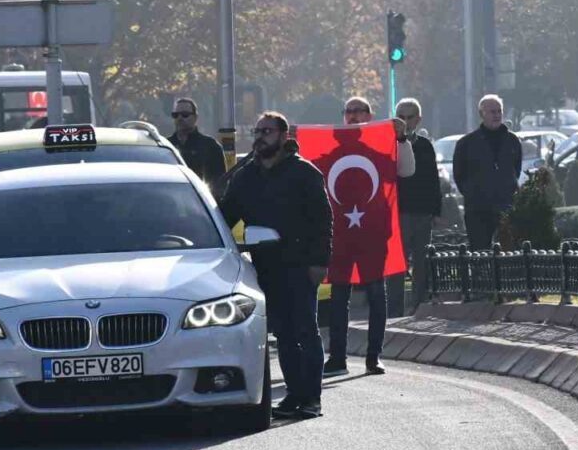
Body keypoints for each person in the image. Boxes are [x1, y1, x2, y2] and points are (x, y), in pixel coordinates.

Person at [219, 112, 331, 419]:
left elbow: (323, 222)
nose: (260, 136)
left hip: (300, 265)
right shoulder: (246, 177)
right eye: (257, 131)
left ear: (283, 137)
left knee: (305, 330)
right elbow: (227, 216)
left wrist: (319, 262)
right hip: (265, 268)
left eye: (267, 131)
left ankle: (312, 397)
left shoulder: (304, 173)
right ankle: (294, 394)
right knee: (281, 333)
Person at [323, 96, 415, 377]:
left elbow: (406, 170)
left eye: (358, 111)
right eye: (348, 112)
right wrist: (293, 140)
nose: (352, 116)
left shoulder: (381, 144)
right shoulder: (330, 148)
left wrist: (400, 140)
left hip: (373, 232)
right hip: (339, 232)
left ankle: (374, 356)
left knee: (377, 293)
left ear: (369, 115)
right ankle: (337, 357)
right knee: (339, 296)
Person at [388, 98, 441, 317]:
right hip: (396, 212)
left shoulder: (425, 145)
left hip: (421, 212)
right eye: (401, 116)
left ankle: (419, 306)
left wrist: (436, 212)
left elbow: (433, 181)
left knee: (421, 262)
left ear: (418, 120)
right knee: (396, 265)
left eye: (410, 117)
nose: (405, 121)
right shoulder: (387, 143)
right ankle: (394, 310)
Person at [451, 95, 523, 250]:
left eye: (499, 111)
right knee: (480, 253)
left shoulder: (512, 141)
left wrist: (506, 188)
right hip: (478, 209)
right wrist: (473, 192)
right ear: (482, 114)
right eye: (492, 112)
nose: (497, 115)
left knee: (508, 252)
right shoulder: (466, 144)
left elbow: (515, 169)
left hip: (506, 206)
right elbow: (459, 174)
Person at [167, 97, 227, 187]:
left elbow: (219, 183)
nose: (179, 118)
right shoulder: (166, 146)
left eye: (185, 115)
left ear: (195, 117)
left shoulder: (210, 146)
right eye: (175, 115)